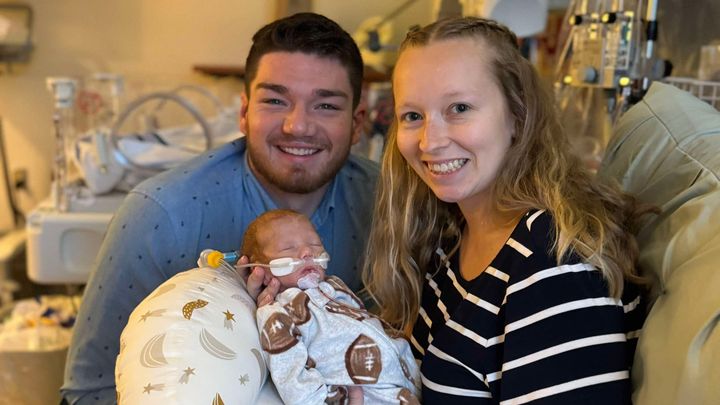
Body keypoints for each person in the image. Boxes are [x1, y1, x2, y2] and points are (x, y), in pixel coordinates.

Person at [61, 13, 379, 404]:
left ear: (357, 122)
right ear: (244, 113)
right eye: (275, 101)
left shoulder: (389, 208)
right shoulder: (162, 215)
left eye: (326, 105)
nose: (298, 126)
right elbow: (87, 392)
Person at [362, 17, 650, 404]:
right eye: (413, 116)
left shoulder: (554, 264)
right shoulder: (453, 236)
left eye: (459, 108)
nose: (430, 142)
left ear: (517, 114)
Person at [241, 209, 420, 404]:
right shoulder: (277, 313)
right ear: (262, 271)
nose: (307, 252)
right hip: (368, 396)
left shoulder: (334, 286)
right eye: (288, 248)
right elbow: (292, 379)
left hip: (408, 381)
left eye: (314, 243)